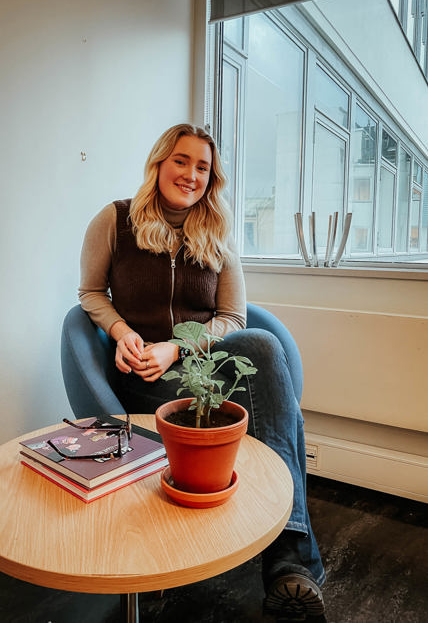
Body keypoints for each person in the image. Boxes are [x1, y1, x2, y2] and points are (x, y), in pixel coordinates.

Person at [79, 123, 325, 619]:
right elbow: (89, 295)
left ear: (212, 179)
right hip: (145, 376)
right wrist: (122, 332)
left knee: (260, 340)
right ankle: (293, 561)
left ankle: (286, 561)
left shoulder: (218, 231)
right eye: (181, 161)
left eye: (203, 167)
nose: (191, 174)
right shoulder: (114, 220)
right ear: (159, 164)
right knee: (288, 420)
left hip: (202, 368)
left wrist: (178, 347)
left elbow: (233, 319)